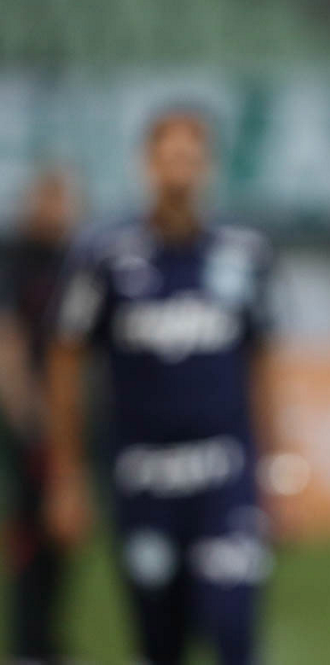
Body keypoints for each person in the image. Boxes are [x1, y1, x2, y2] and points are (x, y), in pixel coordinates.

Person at [44, 109, 280, 664]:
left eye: (191, 159)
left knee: (234, 629)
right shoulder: (104, 256)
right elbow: (65, 358)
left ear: (208, 166)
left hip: (224, 474)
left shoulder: (244, 253)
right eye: (169, 158)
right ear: (146, 165)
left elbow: (264, 361)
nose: (180, 173)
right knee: (158, 640)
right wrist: (67, 477)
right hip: (142, 477)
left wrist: (277, 468)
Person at [1, 168, 79, 664]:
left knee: (63, 534)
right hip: (31, 425)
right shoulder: (14, 260)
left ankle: (46, 642)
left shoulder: (73, 261)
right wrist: (31, 419)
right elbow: (7, 344)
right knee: (32, 532)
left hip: (65, 422)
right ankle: (28, 644)